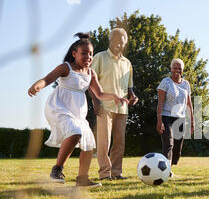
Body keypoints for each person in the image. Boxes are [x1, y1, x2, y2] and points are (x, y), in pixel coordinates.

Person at [27, 33, 128, 187]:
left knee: (89, 143)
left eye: (91, 54)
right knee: (75, 133)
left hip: (78, 112)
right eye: (84, 53)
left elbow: (99, 94)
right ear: (74, 54)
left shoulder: (90, 73)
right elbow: (48, 79)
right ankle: (57, 169)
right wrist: (38, 86)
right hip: (59, 107)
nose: (88, 57)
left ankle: (82, 179)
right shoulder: (66, 67)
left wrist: (114, 96)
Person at [90, 28, 138, 181]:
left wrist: (132, 95)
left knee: (119, 143)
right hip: (104, 107)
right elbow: (90, 82)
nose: (119, 45)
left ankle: (116, 172)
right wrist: (95, 102)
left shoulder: (127, 63)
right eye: (116, 41)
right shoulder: (100, 57)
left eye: (122, 43)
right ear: (110, 40)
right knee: (104, 143)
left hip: (122, 108)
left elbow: (129, 87)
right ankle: (105, 174)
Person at [156, 58, 194, 175]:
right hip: (167, 116)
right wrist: (159, 120)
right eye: (175, 68)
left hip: (180, 118)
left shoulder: (186, 84)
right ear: (171, 69)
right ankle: (167, 171)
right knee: (168, 143)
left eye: (179, 68)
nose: (177, 70)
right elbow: (160, 102)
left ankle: (170, 167)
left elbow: (188, 104)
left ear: (182, 70)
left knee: (177, 149)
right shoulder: (165, 82)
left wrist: (192, 121)